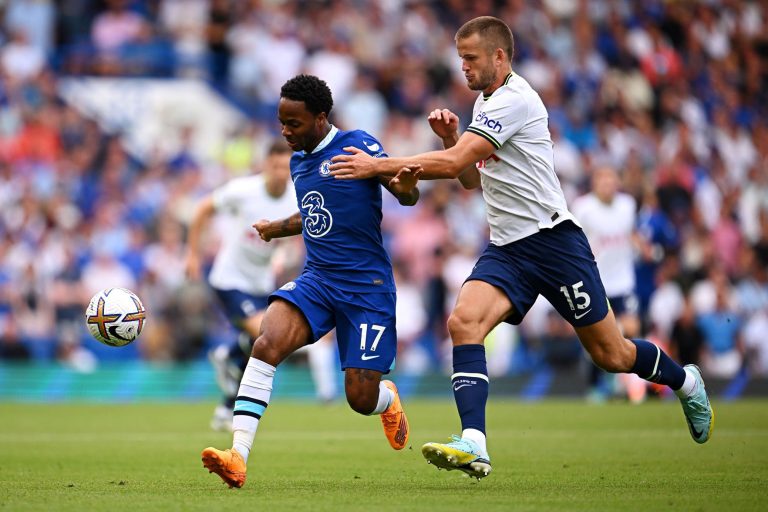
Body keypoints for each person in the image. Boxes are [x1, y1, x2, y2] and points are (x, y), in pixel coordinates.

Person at [329, 16, 714, 480]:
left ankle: (686, 381)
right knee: (463, 321)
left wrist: (378, 166)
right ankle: (475, 442)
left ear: (499, 56)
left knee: (612, 356)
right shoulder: (485, 101)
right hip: (508, 247)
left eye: (470, 59)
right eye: (460, 59)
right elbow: (471, 177)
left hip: (554, 243)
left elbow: (454, 166)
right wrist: (452, 139)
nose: (463, 68)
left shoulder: (514, 99)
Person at [201, 74, 421, 488]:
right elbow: (316, 215)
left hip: (366, 288)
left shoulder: (358, 144)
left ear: (321, 118)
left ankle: (387, 400)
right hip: (318, 279)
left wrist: (406, 187)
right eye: (281, 122)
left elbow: (403, 192)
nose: (285, 132)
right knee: (266, 342)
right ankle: (237, 455)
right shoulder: (300, 161)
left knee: (360, 397)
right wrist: (275, 227)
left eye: (294, 123)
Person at [185, 140, 337, 432]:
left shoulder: (296, 196)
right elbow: (204, 207)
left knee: (261, 342)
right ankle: (229, 354)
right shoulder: (243, 190)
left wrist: (280, 256)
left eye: (286, 166)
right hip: (229, 279)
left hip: (261, 281)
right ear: (266, 165)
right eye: (276, 166)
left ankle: (226, 404)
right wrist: (192, 253)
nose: (282, 172)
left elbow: (294, 235)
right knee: (267, 333)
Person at [572, 165, 641, 402]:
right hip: (596, 281)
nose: (608, 185)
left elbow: (631, 234)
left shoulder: (628, 205)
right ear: (595, 184)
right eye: (603, 180)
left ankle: (622, 382)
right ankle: (595, 387)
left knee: (630, 329)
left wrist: (644, 247)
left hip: (623, 281)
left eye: (612, 180)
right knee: (596, 338)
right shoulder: (583, 207)